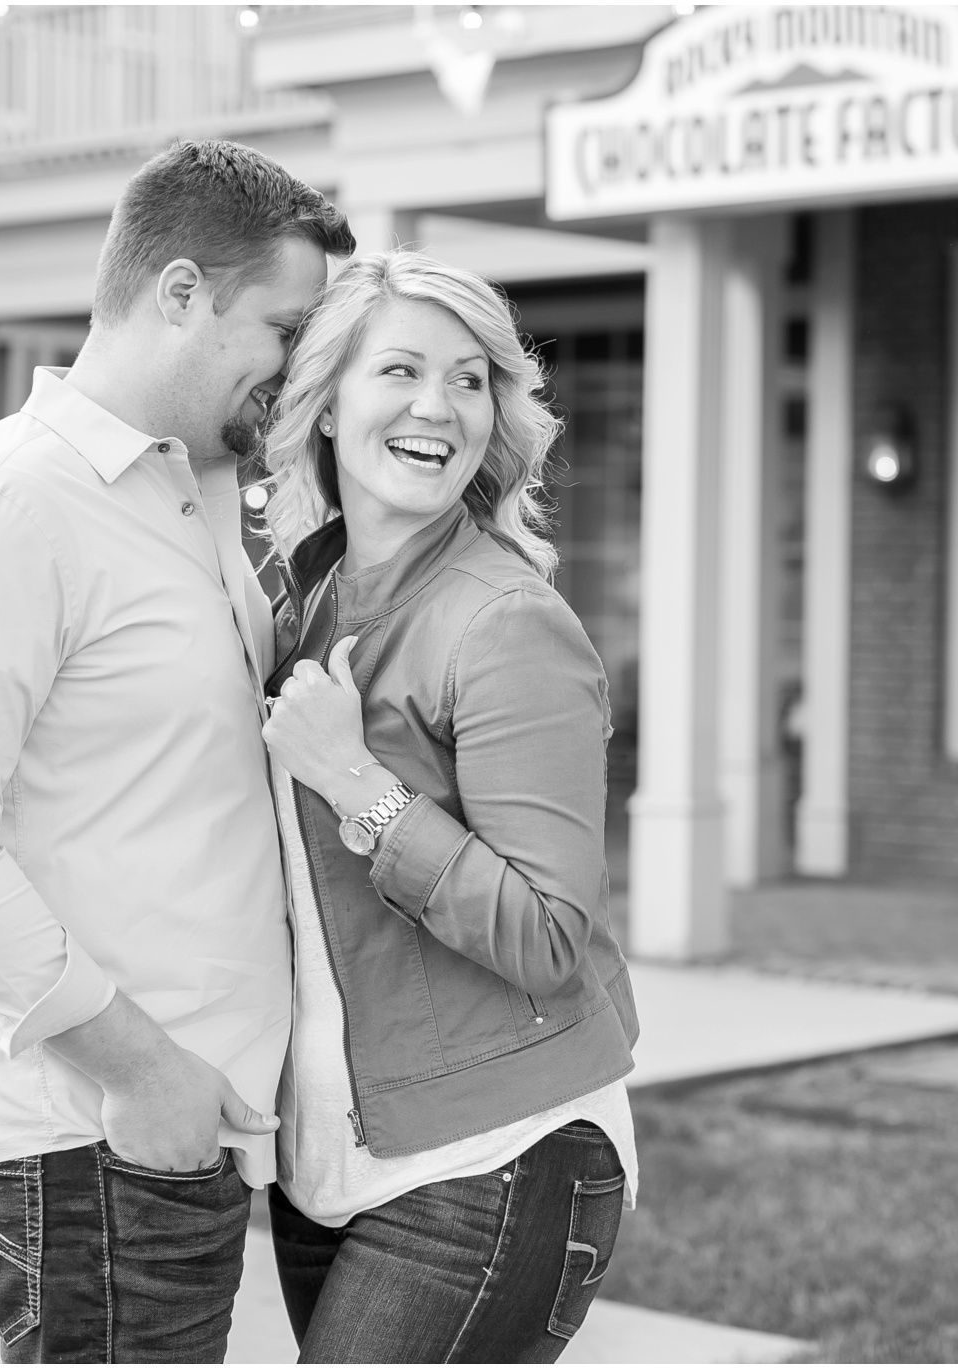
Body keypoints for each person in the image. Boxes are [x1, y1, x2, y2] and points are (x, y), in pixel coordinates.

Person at [0, 139, 353, 1363]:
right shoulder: (7, 508)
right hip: (90, 1138)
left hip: (172, 1142)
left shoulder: (182, 500)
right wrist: (144, 1077)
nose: (299, 377)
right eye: (285, 333)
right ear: (180, 292)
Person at [257, 250, 639, 1363]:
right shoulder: (311, 597)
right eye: (402, 370)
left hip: (492, 1157)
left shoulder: (504, 622)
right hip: (330, 1159)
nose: (439, 406)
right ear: (325, 401)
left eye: (470, 379)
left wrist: (359, 786)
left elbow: (548, 935)